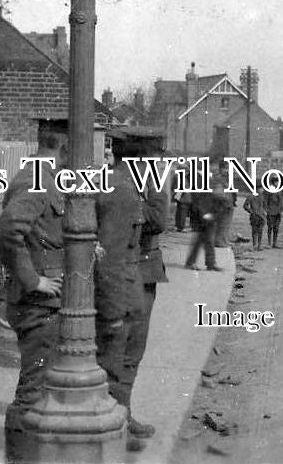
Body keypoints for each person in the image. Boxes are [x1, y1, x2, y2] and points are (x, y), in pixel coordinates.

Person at [0, 119, 67, 456]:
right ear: (66, 146)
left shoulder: (41, 176)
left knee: (40, 384)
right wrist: (34, 279)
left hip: (43, 302)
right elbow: (6, 232)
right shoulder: (37, 182)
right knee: (32, 389)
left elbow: (42, 234)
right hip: (36, 302)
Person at [93, 139, 148, 452]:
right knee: (112, 365)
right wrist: (113, 310)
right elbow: (110, 256)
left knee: (121, 362)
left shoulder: (126, 184)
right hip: (119, 296)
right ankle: (112, 436)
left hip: (128, 292)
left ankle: (120, 426)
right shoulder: (122, 190)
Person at [121, 131, 168, 442]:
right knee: (129, 347)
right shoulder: (147, 182)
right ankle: (119, 415)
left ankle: (120, 413)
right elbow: (159, 220)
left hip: (135, 267)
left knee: (122, 347)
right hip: (138, 270)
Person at [186, 177, 225, 271]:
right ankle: (192, 263)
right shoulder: (205, 196)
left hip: (210, 223)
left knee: (209, 242)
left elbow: (220, 211)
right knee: (199, 243)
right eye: (218, 188)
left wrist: (213, 217)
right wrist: (205, 216)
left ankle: (210, 264)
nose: (221, 190)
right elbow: (197, 208)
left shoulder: (218, 199)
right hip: (201, 222)